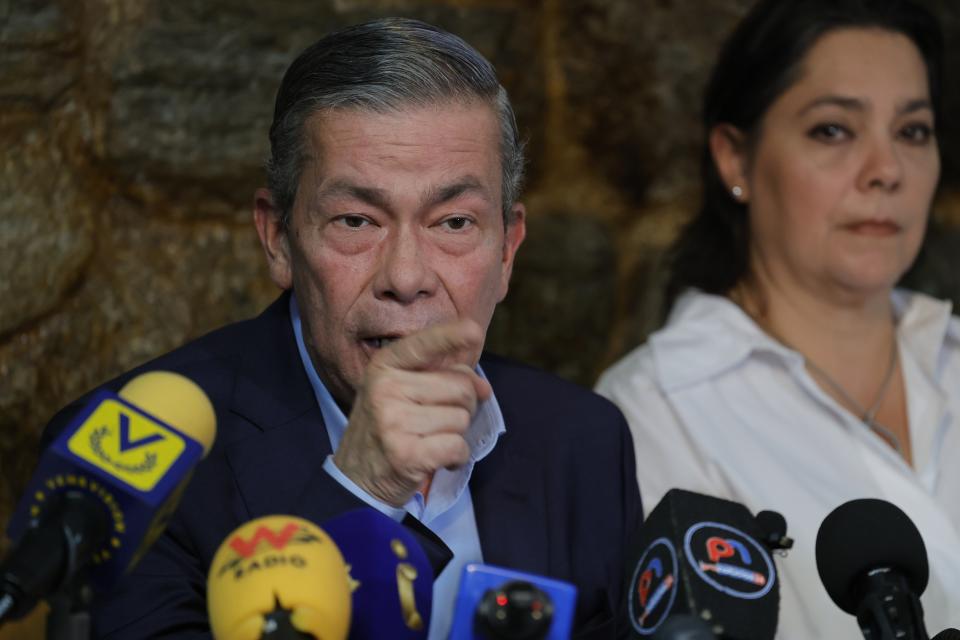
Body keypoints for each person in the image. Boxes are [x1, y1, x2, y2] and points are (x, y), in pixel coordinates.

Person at [40, 18, 641, 639]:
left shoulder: (582, 441)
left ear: (508, 250)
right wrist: (362, 491)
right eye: (356, 220)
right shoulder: (134, 468)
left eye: (454, 223)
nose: (406, 277)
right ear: (277, 238)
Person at [596, 0, 959, 637]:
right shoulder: (653, 413)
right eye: (833, 130)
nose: (887, 171)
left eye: (913, 131)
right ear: (735, 159)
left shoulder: (952, 356)